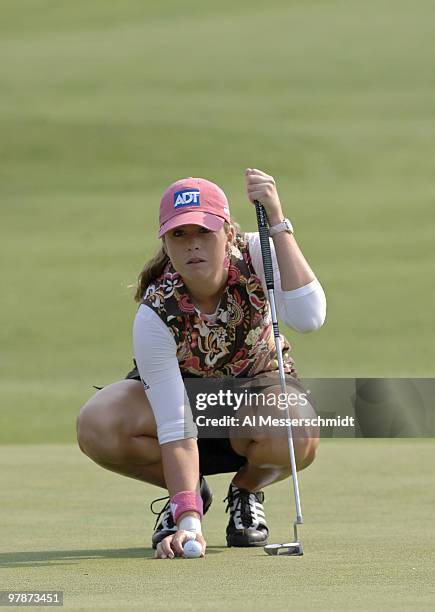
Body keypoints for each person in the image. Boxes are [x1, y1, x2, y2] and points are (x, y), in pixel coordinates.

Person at [76, 168, 326, 559]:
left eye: (204, 232)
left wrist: (277, 222)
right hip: (180, 415)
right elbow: (175, 423)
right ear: (166, 242)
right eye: (180, 234)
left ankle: (246, 490)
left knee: (295, 422)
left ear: (227, 233)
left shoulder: (260, 252)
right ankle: (188, 494)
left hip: (253, 403)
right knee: (98, 422)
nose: (192, 245)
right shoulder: (156, 311)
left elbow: (310, 317)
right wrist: (188, 519)